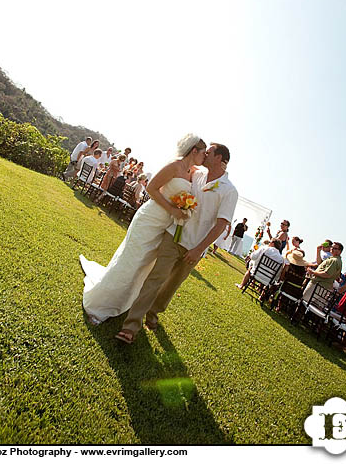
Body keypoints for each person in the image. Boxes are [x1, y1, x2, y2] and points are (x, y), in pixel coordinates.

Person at [115, 142, 238, 344]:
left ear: (219, 158)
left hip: (195, 247)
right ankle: (131, 326)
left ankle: (153, 313)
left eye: (209, 152)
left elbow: (221, 225)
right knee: (157, 277)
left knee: (171, 286)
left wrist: (199, 250)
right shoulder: (197, 174)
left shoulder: (229, 190)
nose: (204, 155)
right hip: (174, 235)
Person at [79, 135, 207, 326]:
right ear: (194, 151)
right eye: (203, 153)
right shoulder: (174, 166)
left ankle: (124, 301)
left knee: (144, 266)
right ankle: (101, 304)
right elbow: (152, 189)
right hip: (150, 219)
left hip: (165, 226)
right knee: (131, 260)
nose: (205, 157)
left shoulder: (193, 172)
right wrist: (172, 209)